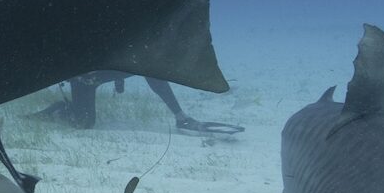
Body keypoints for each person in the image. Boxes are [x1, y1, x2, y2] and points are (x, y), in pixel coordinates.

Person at [36, 70, 244, 136]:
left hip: (107, 66)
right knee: (83, 122)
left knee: (151, 69)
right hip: (85, 75)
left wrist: (118, 78)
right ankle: (58, 109)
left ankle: (180, 117)